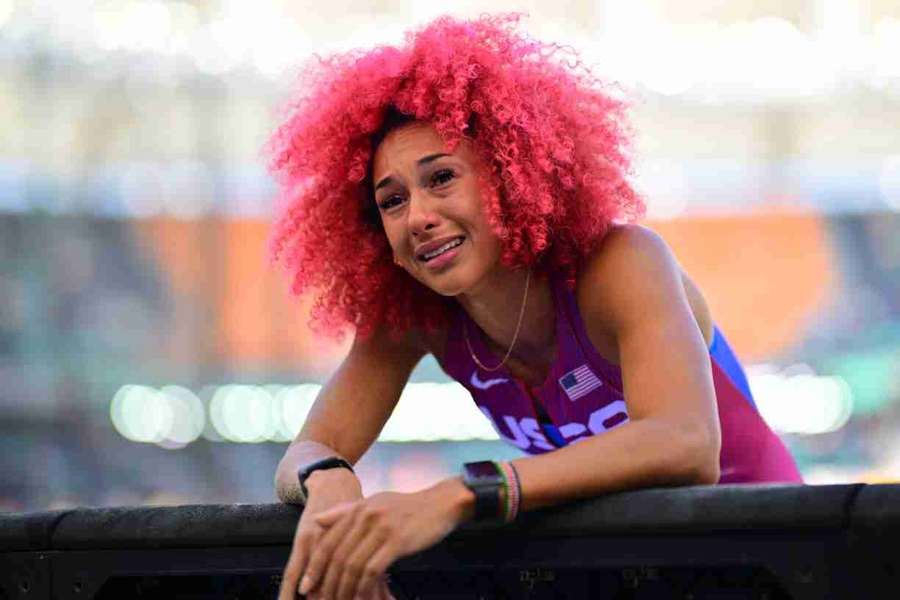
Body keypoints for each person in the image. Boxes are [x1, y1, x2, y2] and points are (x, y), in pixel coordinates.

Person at [268, 13, 803, 600]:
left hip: (772, 564)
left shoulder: (621, 261)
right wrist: (329, 485)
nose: (417, 215)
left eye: (441, 177)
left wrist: (462, 495)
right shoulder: (415, 316)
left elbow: (686, 443)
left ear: (507, 174)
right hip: (635, 573)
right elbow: (309, 449)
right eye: (391, 201)